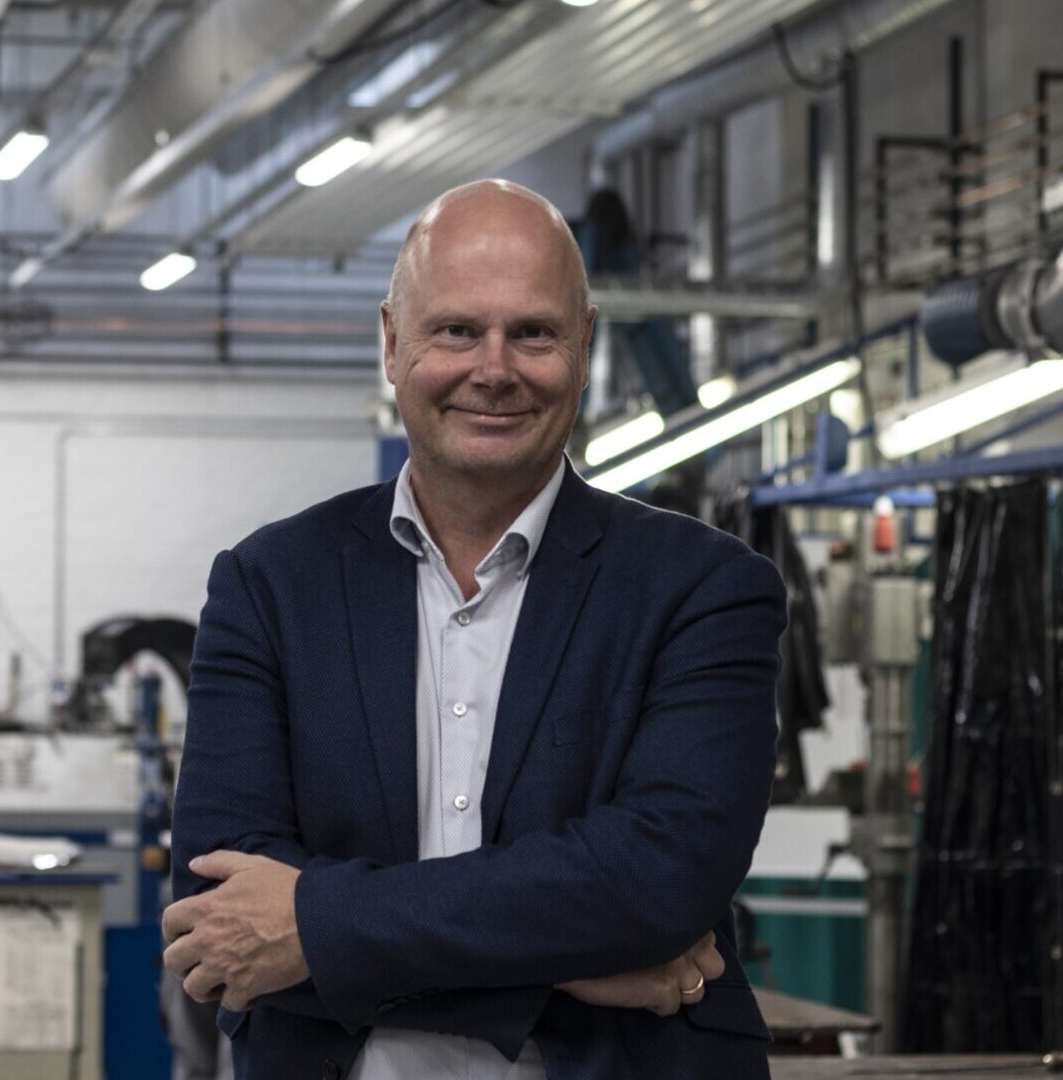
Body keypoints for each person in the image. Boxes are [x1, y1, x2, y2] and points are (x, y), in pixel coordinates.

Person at [162, 178, 787, 1080]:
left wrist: (317, 928)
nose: (494, 368)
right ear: (391, 342)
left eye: (532, 332)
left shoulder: (706, 589)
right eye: (455, 330)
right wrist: (575, 966)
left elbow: (659, 878)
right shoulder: (270, 587)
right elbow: (221, 918)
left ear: (584, 346)